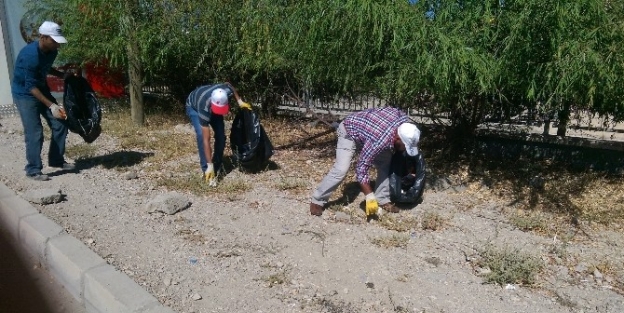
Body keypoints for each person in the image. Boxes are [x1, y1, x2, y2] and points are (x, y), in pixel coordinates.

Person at [309, 107, 421, 217]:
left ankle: (382, 199)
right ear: (396, 138)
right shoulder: (379, 140)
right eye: (404, 146)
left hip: (368, 131)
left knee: (386, 164)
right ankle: (317, 200)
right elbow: (361, 168)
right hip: (349, 131)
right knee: (341, 169)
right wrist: (369, 196)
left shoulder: (405, 124)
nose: (404, 149)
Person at [11, 21, 74, 181]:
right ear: (43, 37)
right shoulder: (29, 55)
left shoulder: (51, 51)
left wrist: (61, 75)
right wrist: (52, 105)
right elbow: (30, 87)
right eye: (54, 41)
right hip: (25, 94)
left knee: (60, 124)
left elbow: (45, 67)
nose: (57, 45)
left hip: (41, 89)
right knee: (35, 133)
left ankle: (56, 160)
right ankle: (33, 170)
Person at [185, 82, 251, 186]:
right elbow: (206, 140)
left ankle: (217, 164)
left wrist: (239, 101)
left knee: (221, 136)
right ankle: (207, 170)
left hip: (211, 103)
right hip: (194, 107)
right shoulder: (204, 107)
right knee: (201, 136)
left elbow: (229, 85)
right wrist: (209, 165)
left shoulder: (226, 92)